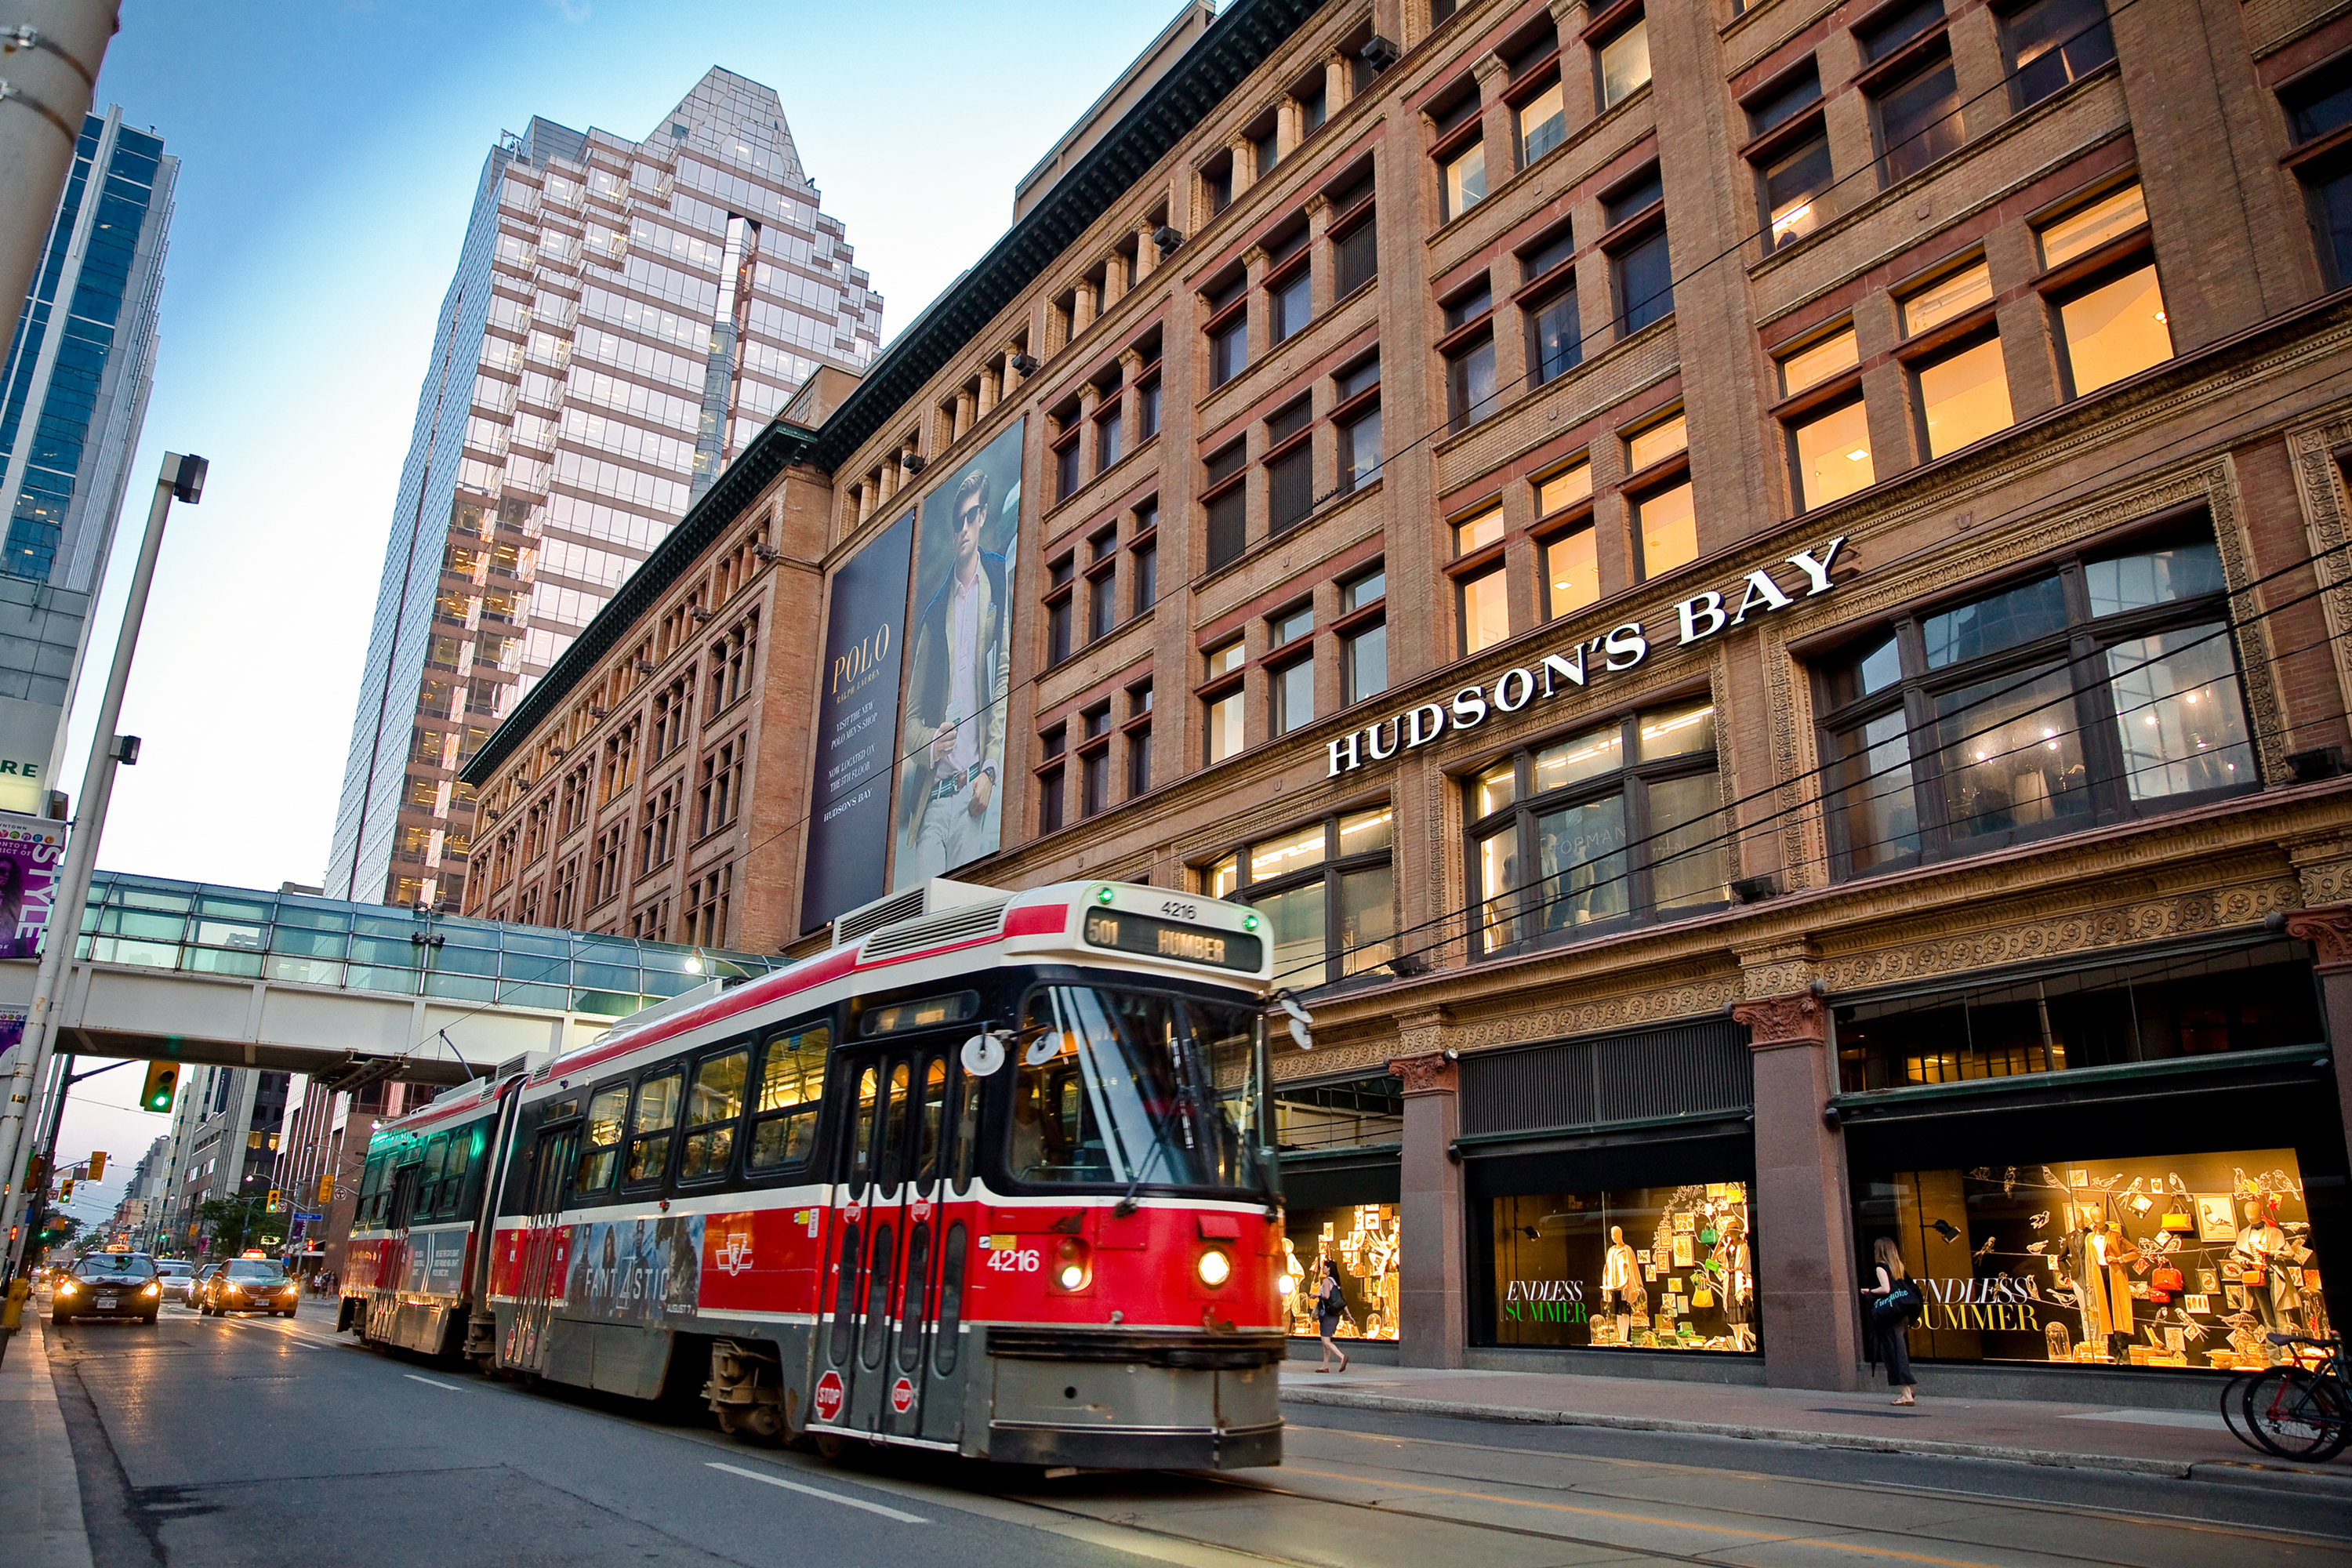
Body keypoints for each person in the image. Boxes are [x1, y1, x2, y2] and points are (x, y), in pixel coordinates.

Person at [898, 466, 1010, 880]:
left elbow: (1004, 677)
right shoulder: (932, 615)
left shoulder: (998, 578)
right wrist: (932, 742)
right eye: (957, 521)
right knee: (927, 913)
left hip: (972, 797)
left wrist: (990, 771)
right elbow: (909, 723)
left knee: (964, 911)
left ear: (982, 516)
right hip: (932, 803)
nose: (964, 529)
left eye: (971, 517)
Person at [1863, 1236, 1921, 1406]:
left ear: (1879, 1251)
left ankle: (1906, 1395)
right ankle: (1908, 1391)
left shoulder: (1880, 1267)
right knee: (1899, 1350)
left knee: (1895, 1354)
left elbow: (1886, 1289)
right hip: (1902, 1315)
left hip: (1891, 1317)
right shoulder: (1897, 1265)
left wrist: (1870, 1291)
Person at [1312, 1258, 1350, 1373]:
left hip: (1327, 1314)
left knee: (1325, 1340)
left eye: (1324, 1266)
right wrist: (1349, 1315)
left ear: (1328, 1269)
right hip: (1335, 1314)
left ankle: (1342, 1357)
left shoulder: (1326, 1281)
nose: (1322, 1268)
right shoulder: (1335, 1282)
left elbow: (1326, 1296)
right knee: (1326, 1340)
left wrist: (1316, 1295)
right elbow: (1341, 1301)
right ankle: (1325, 1366)